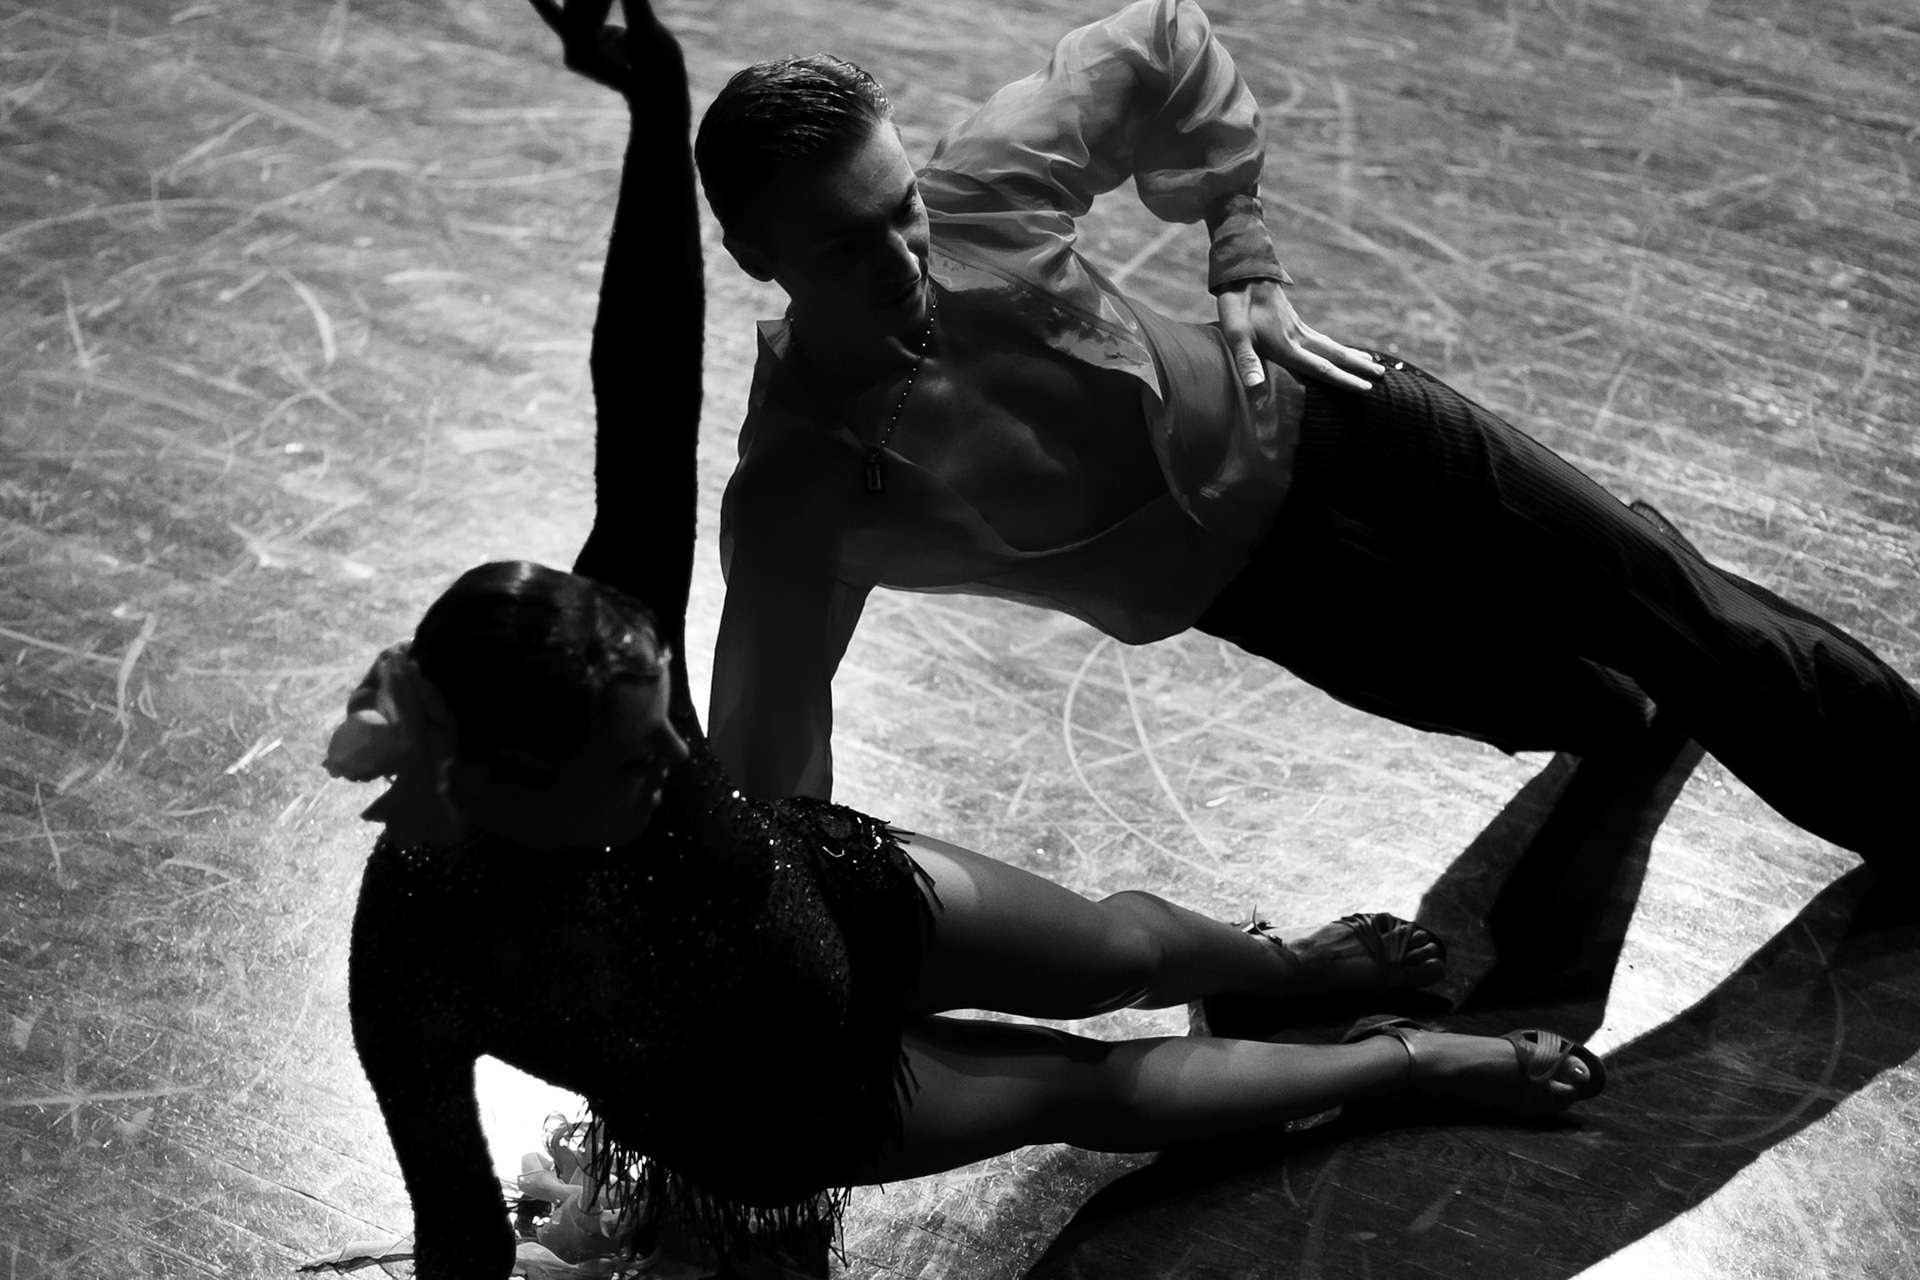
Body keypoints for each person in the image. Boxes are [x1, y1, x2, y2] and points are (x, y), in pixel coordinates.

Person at [647, 0, 1920, 885]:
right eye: (845, 244)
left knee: (1688, 625)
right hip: (1280, 599)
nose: (901, 257)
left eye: (902, 210)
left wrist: (1241, 243)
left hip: (1349, 425)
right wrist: (770, 930)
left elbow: (1159, 43)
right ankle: (1629, 573)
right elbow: (768, 755)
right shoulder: (797, 494)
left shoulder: (980, 188)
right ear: (753, 255)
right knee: (1588, 704)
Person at [331, 558, 1605, 1280]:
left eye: (671, 717)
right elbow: (459, 1223)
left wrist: (656, 151)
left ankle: (1284, 964)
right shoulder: (417, 958)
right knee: (1078, 1090)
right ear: (505, 786)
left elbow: (647, 397)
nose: (677, 757)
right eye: (631, 759)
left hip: (838, 890)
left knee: (1119, 948)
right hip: (781, 1100)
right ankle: (1401, 1062)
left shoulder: (593, 686)